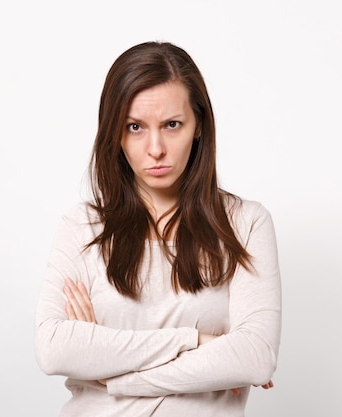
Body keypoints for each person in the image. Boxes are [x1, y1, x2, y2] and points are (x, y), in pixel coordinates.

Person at [35, 41, 281, 416]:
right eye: (135, 127)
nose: (155, 149)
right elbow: (54, 348)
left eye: (172, 125)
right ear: (114, 133)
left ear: (198, 126)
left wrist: (113, 375)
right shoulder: (83, 227)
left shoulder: (245, 224)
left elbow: (254, 358)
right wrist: (198, 341)